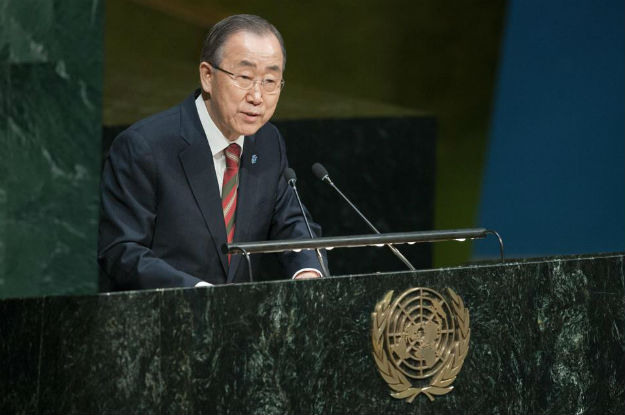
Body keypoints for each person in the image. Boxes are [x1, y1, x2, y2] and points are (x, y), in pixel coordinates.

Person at [98, 14, 324, 290]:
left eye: (270, 81)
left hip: (239, 325)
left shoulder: (267, 142)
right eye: (244, 77)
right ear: (207, 76)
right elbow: (121, 250)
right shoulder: (143, 147)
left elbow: (292, 221)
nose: (257, 96)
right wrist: (197, 294)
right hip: (164, 321)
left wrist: (307, 270)